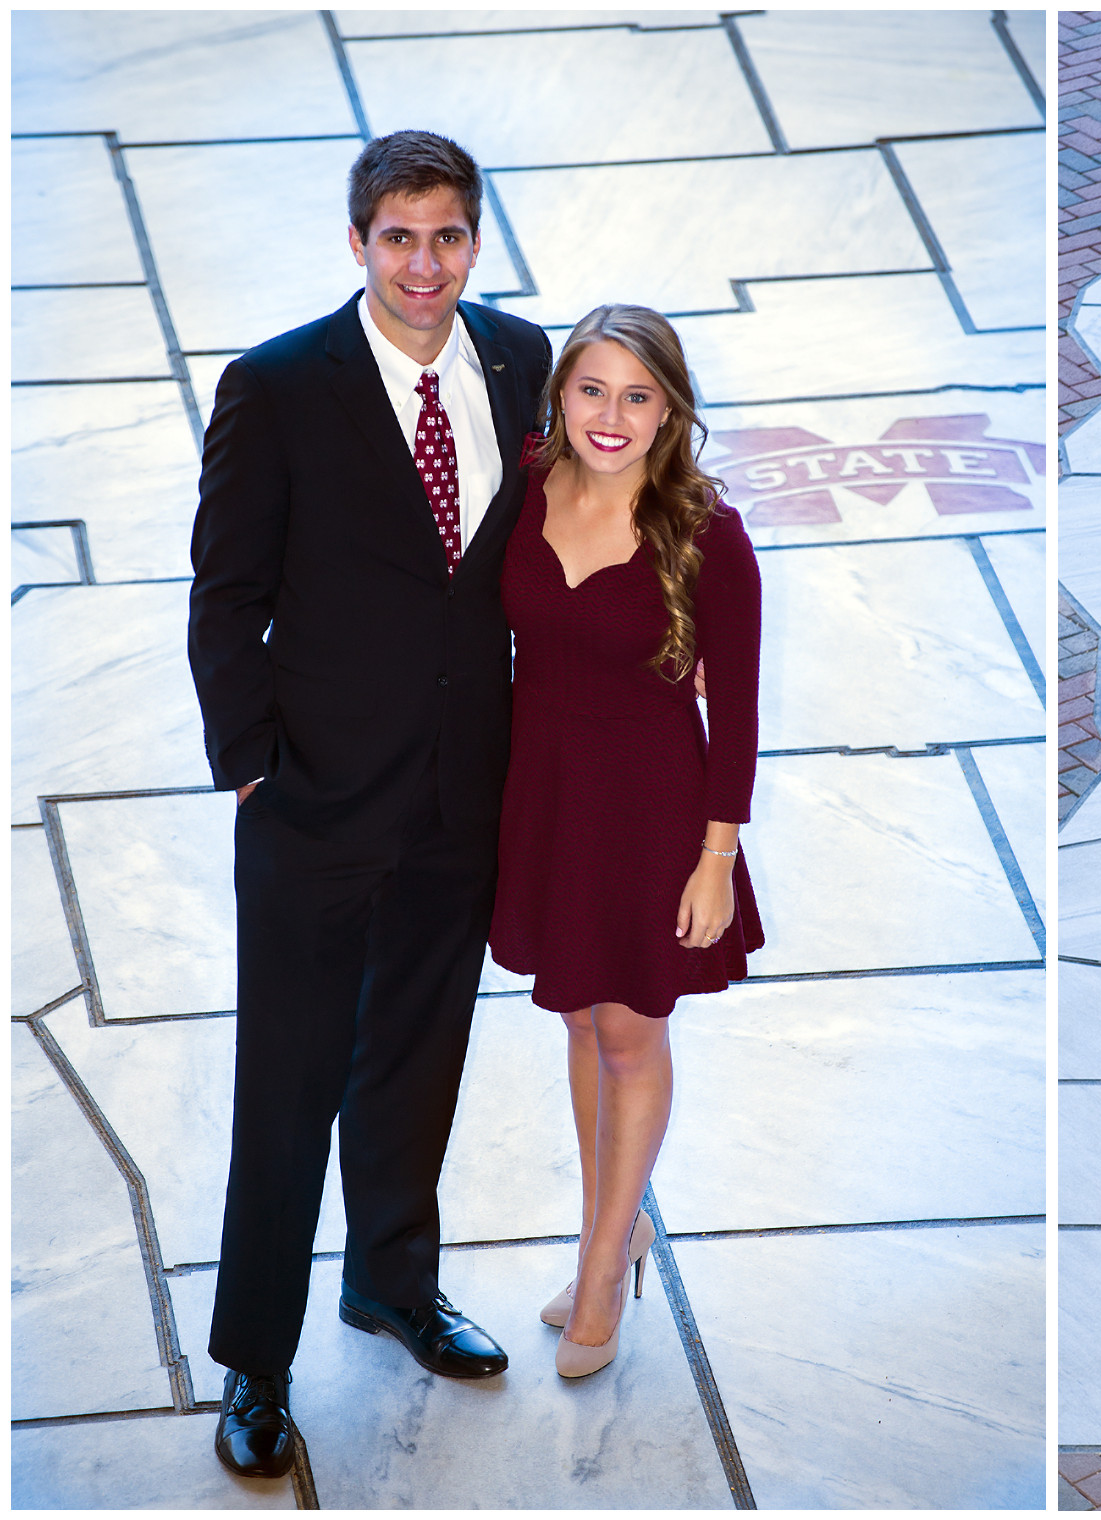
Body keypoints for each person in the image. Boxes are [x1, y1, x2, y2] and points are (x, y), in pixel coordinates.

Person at [186, 131, 551, 1474]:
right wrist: (256, 762)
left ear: (474, 241)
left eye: (447, 236)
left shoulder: (522, 363)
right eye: (398, 238)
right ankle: (256, 1359)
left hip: (464, 792)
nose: (423, 264)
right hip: (317, 800)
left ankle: (391, 1282)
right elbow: (227, 594)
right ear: (359, 244)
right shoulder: (279, 388)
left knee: (417, 1052)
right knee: (284, 1081)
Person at [488, 304, 764, 1377]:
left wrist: (716, 857)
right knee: (577, 1017)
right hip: (544, 792)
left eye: (638, 396)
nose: (612, 416)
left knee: (629, 1032)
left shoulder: (705, 532)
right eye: (592, 389)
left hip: (652, 804)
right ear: (558, 396)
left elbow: (735, 712)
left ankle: (603, 1260)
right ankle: (621, 1219)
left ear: (671, 410)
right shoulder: (522, 485)